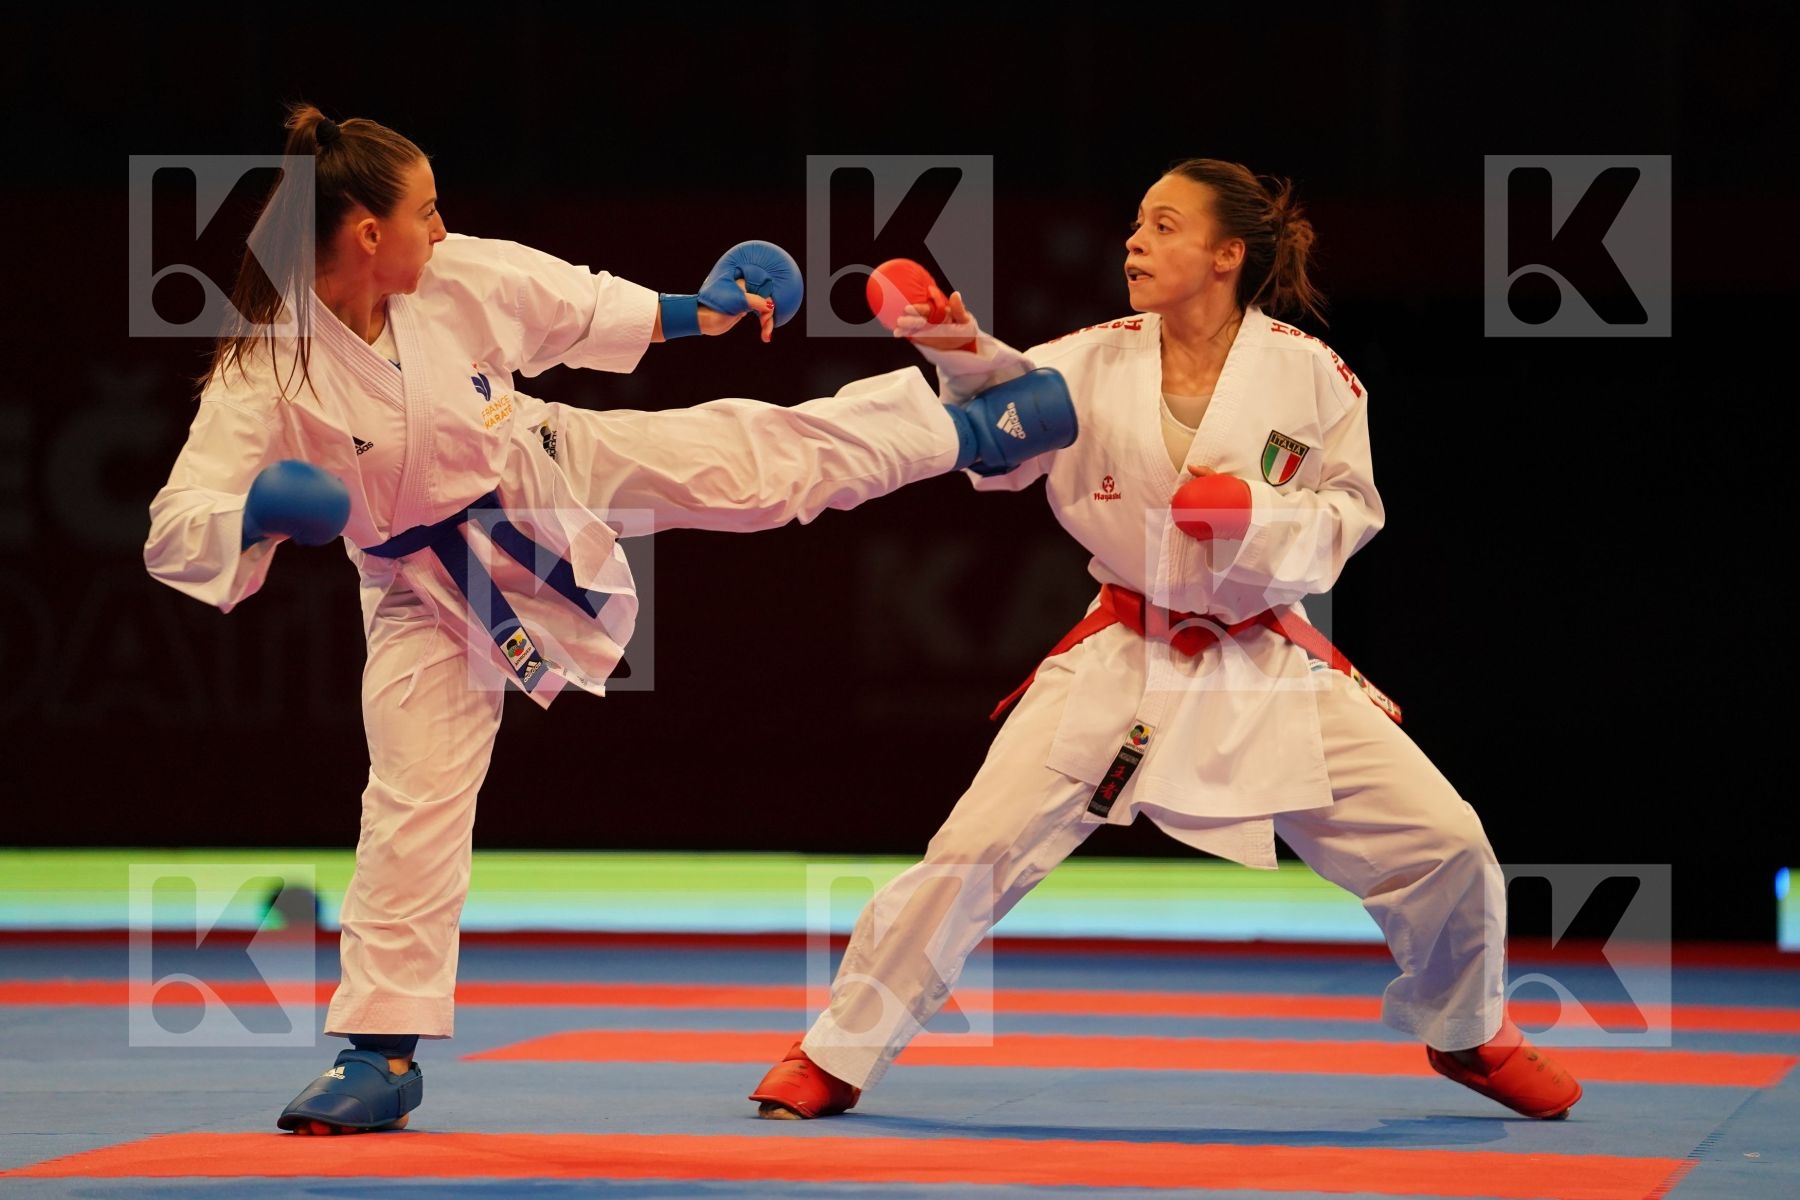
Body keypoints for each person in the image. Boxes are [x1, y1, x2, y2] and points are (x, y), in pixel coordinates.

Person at [143, 103, 1078, 1135]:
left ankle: (970, 428)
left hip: (541, 462)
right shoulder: (267, 368)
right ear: (368, 233)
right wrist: (255, 514)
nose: (442, 229)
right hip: (425, 584)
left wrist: (701, 309)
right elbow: (180, 522)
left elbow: (572, 309)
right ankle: (380, 1052)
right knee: (412, 798)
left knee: (752, 462)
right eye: (426, 211)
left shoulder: (451, 280)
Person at [749, 158, 1584, 1123]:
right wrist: (956, 347)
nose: (1134, 243)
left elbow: (1352, 514)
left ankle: (1468, 1028)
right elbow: (1008, 425)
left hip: (1262, 656)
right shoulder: (1093, 357)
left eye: (1163, 226)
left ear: (1228, 255)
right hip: (1122, 654)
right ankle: (837, 1051)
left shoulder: (1311, 374)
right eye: (1136, 225)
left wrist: (1253, 517)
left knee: (1446, 841)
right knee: (973, 849)